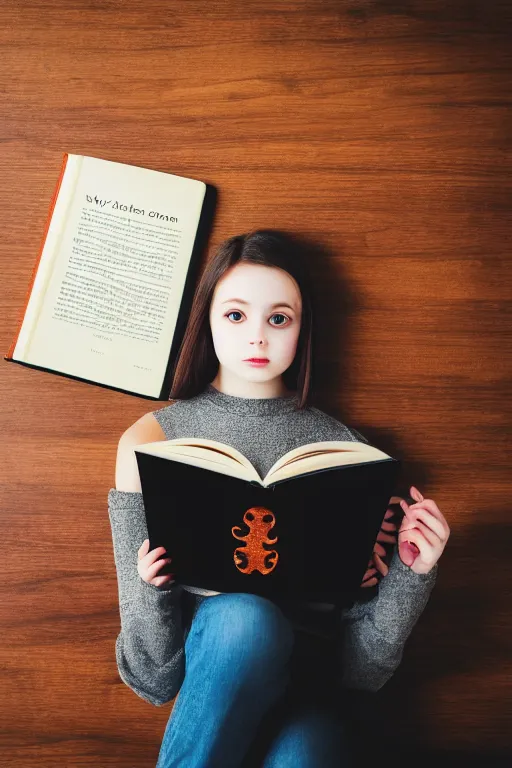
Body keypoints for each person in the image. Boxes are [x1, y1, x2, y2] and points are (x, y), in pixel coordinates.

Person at [107, 230, 450, 767]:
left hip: (308, 691)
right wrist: (152, 593)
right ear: (208, 320)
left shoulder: (349, 454)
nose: (258, 339)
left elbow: (360, 673)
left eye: (279, 318)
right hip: (215, 680)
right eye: (237, 316)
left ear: (301, 327)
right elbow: (153, 679)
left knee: (309, 750)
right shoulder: (151, 442)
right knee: (245, 618)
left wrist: (413, 573)